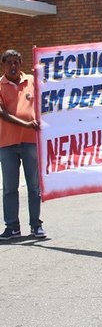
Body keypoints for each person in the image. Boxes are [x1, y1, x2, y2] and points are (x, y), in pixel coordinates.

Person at [0, 50, 46, 240]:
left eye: (16, 62)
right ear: (3, 65)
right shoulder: (0, 85)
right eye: (9, 63)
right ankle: (12, 227)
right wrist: (26, 124)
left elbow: (47, 100)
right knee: (10, 188)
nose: (13, 66)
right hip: (7, 143)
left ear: (21, 63)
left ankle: (36, 225)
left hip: (30, 142)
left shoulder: (32, 81)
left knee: (34, 186)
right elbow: (2, 113)